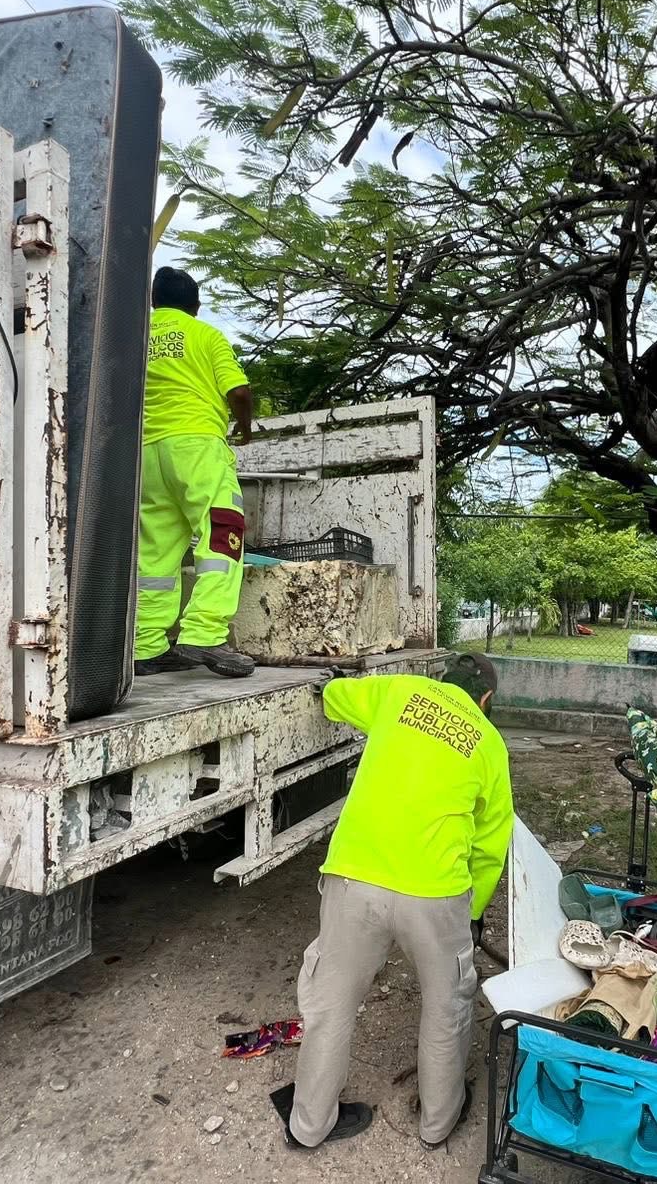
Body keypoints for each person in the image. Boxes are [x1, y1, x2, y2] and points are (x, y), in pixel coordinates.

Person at [283, 653, 514, 1152]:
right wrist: (473, 914)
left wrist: (334, 684)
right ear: (486, 699)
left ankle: (309, 1125)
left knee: (331, 1002)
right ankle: (438, 1123)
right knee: (447, 1006)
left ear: (442, 680)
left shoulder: (400, 691)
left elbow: (334, 698)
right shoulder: (490, 743)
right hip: (435, 893)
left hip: (354, 877)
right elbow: (490, 845)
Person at [133, 266, 257, 678]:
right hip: (198, 446)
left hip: (146, 453)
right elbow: (239, 391)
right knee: (223, 534)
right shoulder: (206, 335)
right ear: (196, 306)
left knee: (156, 551)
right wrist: (244, 427)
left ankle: (146, 645)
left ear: (153, 301)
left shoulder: (135, 337)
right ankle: (205, 632)